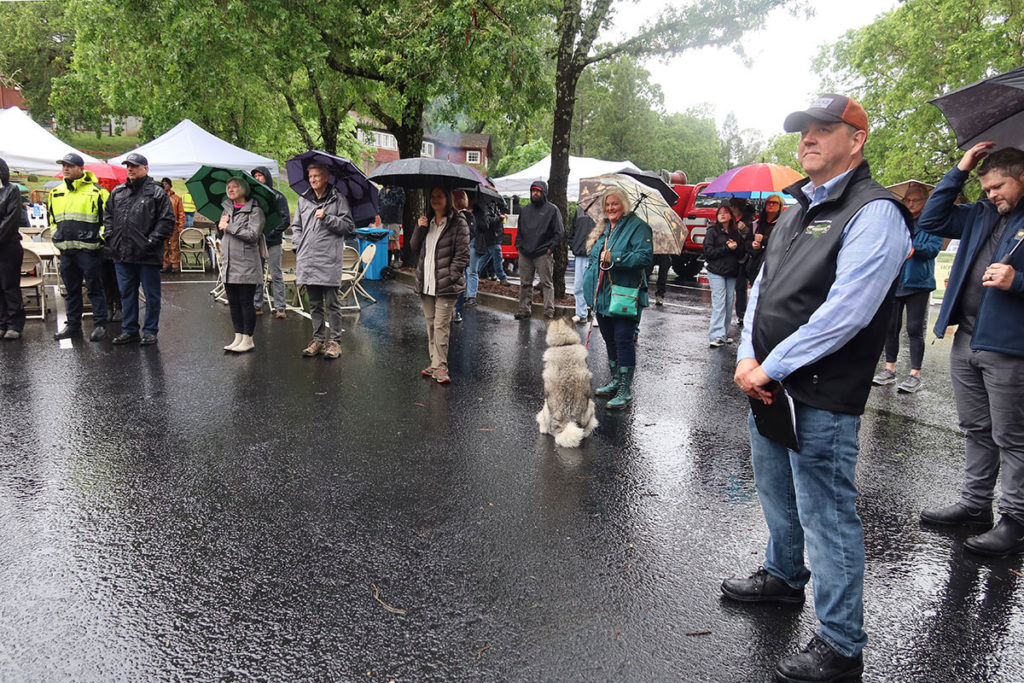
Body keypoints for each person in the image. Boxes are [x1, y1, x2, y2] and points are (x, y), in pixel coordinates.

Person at [726, 94, 911, 683]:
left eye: (824, 130)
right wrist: (747, 353)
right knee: (776, 491)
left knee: (827, 516)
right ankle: (782, 578)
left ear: (856, 140)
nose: (807, 138)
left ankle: (840, 643)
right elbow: (761, 291)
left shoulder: (874, 211)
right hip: (770, 380)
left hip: (822, 393)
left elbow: (847, 312)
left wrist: (771, 365)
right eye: (803, 130)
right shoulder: (796, 206)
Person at [916, 143, 1024, 557]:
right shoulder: (981, 213)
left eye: (999, 186)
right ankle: (975, 507)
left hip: (1010, 345)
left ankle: (1015, 521)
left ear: (1021, 177)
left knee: (1012, 436)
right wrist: (961, 168)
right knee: (977, 429)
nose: (992, 193)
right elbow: (932, 218)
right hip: (968, 339)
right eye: (987, 186)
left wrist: (1017, 280)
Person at [581, 188, 653, 410]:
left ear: (624, 204)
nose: (611, 208)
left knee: (623, 339)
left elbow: (645, 257)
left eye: (615, 204)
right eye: (608, 204)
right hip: (602, 295)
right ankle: (615, 380)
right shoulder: (605, 229)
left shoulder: (638, 227)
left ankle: (625, 389)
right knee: (609, 338)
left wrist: (617, 257)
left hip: (624, 294)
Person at [871, 184, 943, 393]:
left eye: (916, 200)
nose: (911, 204)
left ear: (924, 202)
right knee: (890, 327)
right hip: (895, 280)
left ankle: (915, 374)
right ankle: (889, 369)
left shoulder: (933, 223)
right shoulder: (899, 221)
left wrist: (912, 246)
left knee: (914, 329)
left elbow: (932, 250)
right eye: (908, 200)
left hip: (918, 283)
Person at [104, 153, 174, 346]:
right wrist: (110, 236)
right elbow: (108, 215)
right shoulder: (118, 192)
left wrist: (151, 241)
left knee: (151, 295)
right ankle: (130, 329)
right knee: (127, 293)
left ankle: (150, 331)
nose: (130, 169)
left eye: (135, 165)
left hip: (147, 254)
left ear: (145, 168)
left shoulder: (157, 193)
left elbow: (167, 221)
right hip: (122, 253)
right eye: (128, 165)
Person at [292, 162, 354, 360]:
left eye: (317, 176)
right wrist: (297, 245)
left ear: (327, 177)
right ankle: (318, 339)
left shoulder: (338, 199)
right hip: (307, 258)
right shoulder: (304, 199)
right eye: (310, 176)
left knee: (332, 303)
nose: (313, 180)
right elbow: (296, 226)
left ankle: (335, 342)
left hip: (328, 258)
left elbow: (348, 226)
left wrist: (327, 217)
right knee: (315, 303)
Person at [410, 187, 470, 384]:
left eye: (440, 196)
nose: (435, 200)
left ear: (448, 199)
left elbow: (463, 255)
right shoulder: (426, 221)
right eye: (432, 196)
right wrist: (419, 228)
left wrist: (452, 276)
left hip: (446, 284)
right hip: (426, 282)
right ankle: (434, 362)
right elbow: (414, 247)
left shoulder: (458, 223)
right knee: (430, 324)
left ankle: (441, 366)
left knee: (441, 325)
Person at [48, 153, 109, 342]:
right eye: (64, 165)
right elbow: (52, 219)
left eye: (70, 165)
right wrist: (56, 236)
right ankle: (73, 325)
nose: (66, 168)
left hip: (89, 251)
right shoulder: (55, 192)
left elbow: (108, 220)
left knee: (95, 288)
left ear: (81, 169)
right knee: (71, 291)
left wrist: (98, 239)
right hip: (67, 251)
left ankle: (100, 324)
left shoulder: (98, 192)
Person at [218, 177, 265, 353]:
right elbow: (223, 232)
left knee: (246, 302)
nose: (230, 189)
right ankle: (238, 336)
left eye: (235, 186)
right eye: (228, 187)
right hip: (229, 264)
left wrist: (229, 226)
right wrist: (222, 225)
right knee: (233, 303)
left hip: (246, 264)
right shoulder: (226, 209)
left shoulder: (255, 211)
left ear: (243, 189)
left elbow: (253, 235)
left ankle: (248, 338)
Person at [514, 180, 563, 320]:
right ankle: (524, 310)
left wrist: (550, 248)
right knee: (525, 283)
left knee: (547, 283)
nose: (535, 193)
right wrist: (519, 246)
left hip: (543, 252)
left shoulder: (552, 210)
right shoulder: (525, 210)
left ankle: (548, 312)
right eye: (533, 190)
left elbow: (559, 232)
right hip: (525, 252)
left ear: (544, 192)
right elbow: (519, 229)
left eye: (538, 191)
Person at [703, 204, 745, 347]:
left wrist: (736, 247)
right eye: (720, 212)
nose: (722, 215)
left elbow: (741, 254)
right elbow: (708, 253)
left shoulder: (735, 233)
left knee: (728, 303)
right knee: (719, 303)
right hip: (716, 271)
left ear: (731, 216)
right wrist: (726, 248)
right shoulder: (712, 231)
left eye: (726, 212)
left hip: (731, 272)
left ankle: (724, 333)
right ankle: (716, 335)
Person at [251, 166, 290, 319]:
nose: (258, 178)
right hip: (257, 241)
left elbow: (285, 220)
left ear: (266, 177)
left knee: (276, 274)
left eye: (260, 175)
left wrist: (271, 234)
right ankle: (256, 305)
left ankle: (280, 307)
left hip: (273, 242)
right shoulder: (252, 198)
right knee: (257, 275)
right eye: (255, 176)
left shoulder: (278, 197)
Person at [0, 157, 25, 340]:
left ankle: (14, 324)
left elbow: (11, 220)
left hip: (8, 246)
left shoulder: (11, 190)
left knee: (9, 286)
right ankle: (2, 323)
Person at [452, 190, 478, 323]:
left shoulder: (467, 216)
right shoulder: (450, 215)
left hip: (461, 253)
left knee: (459, 281)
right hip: (455, 253)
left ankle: (457, 310)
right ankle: (454, 310)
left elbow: (471, 233)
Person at [744, 194, 783, 283]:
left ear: (780, 206)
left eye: (774, 202)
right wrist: (752, 245)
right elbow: (746, 243)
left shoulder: (782, 224)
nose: (771, 205)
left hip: (773, 265)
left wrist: (764, 240)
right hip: (755, 265)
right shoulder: (756, 224)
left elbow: (782, 243)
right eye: (768, 202)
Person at [729, 198, 753, 325]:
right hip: (731, 256)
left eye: (731, 206)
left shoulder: (748, 222)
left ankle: (741, 314)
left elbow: (749, 238)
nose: (730, 208)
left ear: (736, 207)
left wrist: (743, 230)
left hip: (743, 257)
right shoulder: (731, 220)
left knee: (740, 287)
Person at [569, 206, 595, 322]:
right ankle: (580, 313)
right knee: (578, 285)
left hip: (594, 255)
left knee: (595, 286)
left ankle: (596, 315)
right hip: (580, 253)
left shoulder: (602, 209)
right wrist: (573, 244)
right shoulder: (580, 209)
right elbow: (573, 229)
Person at [160, 178, 185, 274]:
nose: (164, 186)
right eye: (163, 184)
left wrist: (180, 227)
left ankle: (175, 265)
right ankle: (165, 265)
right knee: (164, 247)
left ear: (170, 186)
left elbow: (181, 214)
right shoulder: (159, 197)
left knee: (174, 247)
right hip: (162, 226)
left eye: (166, 184)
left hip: (173, 226)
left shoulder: (176, 198)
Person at [378, 185, 404, 266]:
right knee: (387, 240)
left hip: (394, 218)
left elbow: (402, 202)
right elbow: (379, 202)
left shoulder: (399, 189)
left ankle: (396, 260)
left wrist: (391, 194)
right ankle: (388, 261)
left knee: (395, 239)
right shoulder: (382, 190)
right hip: (384, 219)